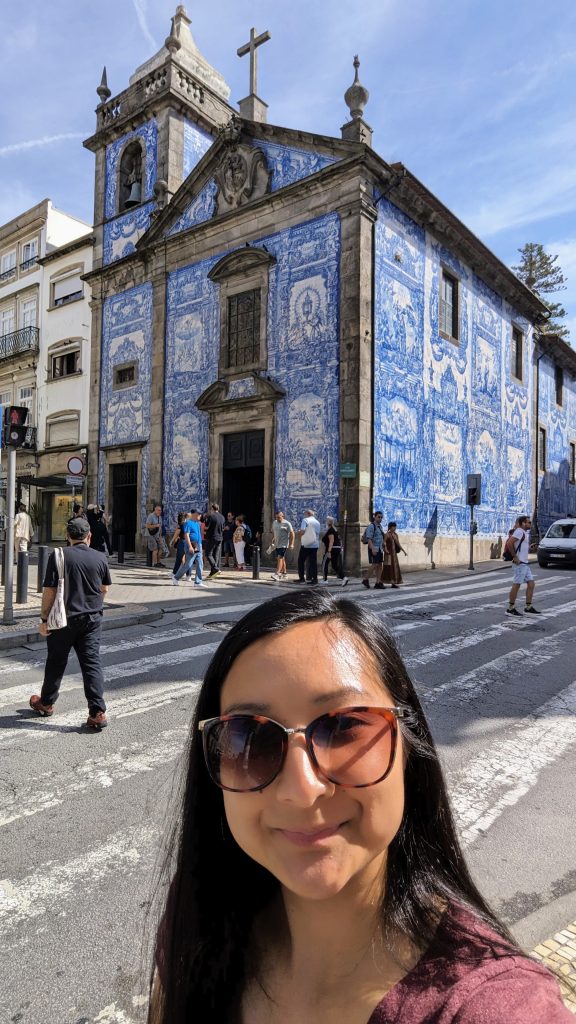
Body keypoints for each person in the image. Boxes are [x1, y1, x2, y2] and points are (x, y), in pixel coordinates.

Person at [148, 589, 573, 1023]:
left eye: (345, 725)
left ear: (410, 743)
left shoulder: (492, 1006)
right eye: (248, 737)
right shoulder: (197, 916)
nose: (302, 789)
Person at [29, 517, 111, 730]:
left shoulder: (58, 555)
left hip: (63, 620)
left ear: (68, 536)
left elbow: (50, 591)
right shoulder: (100, 557)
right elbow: (104, 589)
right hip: (92, 619)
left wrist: (44, 619)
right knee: (91, 663)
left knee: (56, 662)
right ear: (89, 536)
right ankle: (97, 712)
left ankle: (46, 703)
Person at [506, 514, 539, 616]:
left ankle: (528, 607)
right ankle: (510, 608)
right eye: (529, 522)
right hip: (520, 564)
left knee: (531, 584)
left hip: (525, 563)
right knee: (516, 585)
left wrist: (529, 548)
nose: (530, 524)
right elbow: (509, 543)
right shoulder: (520, 531)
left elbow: (519, 546)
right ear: (523, 523)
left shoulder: (523, 533)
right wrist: (515, 557)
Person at [172, 509, 204, 587]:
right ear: (194, 514)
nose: (200, 515)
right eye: (199, 514)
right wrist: (190, 546)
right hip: (191, 546)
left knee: (200, 563)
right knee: (188, 564)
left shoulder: (197, 523)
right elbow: (186, 535)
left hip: (198, 545)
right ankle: (176, 578)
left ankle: (198, 582)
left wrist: (200, 545)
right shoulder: (188, 523)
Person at [320, 515, 348, 586]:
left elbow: (331, 541)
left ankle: (325, 579)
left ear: (328, 522)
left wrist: (329, 551)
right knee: (334, 565)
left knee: (324, 564)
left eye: (326, 521)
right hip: (337, 548)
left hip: (332, 549)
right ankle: (344, 577)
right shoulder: (334, 529)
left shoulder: (331, 530)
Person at [295, 507, 321, 584]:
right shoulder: (317, 522)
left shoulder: (305, 520)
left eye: (305, 514)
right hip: (315, 544)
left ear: (308, 514)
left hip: (306, 545)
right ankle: (314, 579)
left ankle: (302, 578)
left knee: (301, 561)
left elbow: (302, 531)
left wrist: (298, 532)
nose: (304, 515)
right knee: (313, 562)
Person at [362, 510, 385, 590]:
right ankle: (365, 579)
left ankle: (378, 582)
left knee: (380, 565)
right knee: (374, 564)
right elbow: (369, 539)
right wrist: (372, 549)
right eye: (379, 517)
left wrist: (383, 544)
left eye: (381, 517)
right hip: (374, 548)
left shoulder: (380, 527)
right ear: (375, 517)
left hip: (380, 549)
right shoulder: (372, 526)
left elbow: (381, 537)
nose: (380, 518)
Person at [270, 510, 295, 581]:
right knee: (282, 558)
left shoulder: (287, 523)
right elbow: (274, 531)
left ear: (282, 516)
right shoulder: (274, 522)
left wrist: (292, 543)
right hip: (277, 544)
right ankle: (285, 573)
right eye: (276, 517)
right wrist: (273, 539)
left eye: (279, 517)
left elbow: (292, 533)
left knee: (279, 558)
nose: (277, 519)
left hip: (284, 544)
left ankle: (277, 574)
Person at [382, 521, 407, 588]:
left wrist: (403, 551)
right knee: (388, 567)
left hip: (394, 554)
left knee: (394, 568)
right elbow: (384, 543)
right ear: (390, 527)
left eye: (395, 527)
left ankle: (394, 582)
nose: (395, 528)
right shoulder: (387, 534)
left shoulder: (395, 535)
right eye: (393, 526)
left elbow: (398, 544)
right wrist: (386, 549)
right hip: (388, 554)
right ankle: (383, 581)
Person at [204, 503, 226, 578]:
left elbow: (206, 526)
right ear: (218, 509)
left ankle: (216, 569)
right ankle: (212, 573)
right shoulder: (222, 517)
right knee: (215, 555)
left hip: (212, 537)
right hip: (220, 538)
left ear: (212, 509)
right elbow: (223, 528)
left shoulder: (211, 516)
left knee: (208, 553)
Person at [146, 504, 166, 568]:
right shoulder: (151, 516)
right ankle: (154, 563)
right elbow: (147, 526)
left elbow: (160, 528)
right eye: (158, 510)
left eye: (160, 510)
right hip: (150, 535)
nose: (160, 512)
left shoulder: (159, 517)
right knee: (155, 549)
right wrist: (155, 525)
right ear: (155, 510)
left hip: (157, 535)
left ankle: (158, 562)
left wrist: (160, 537)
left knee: (161, 548)